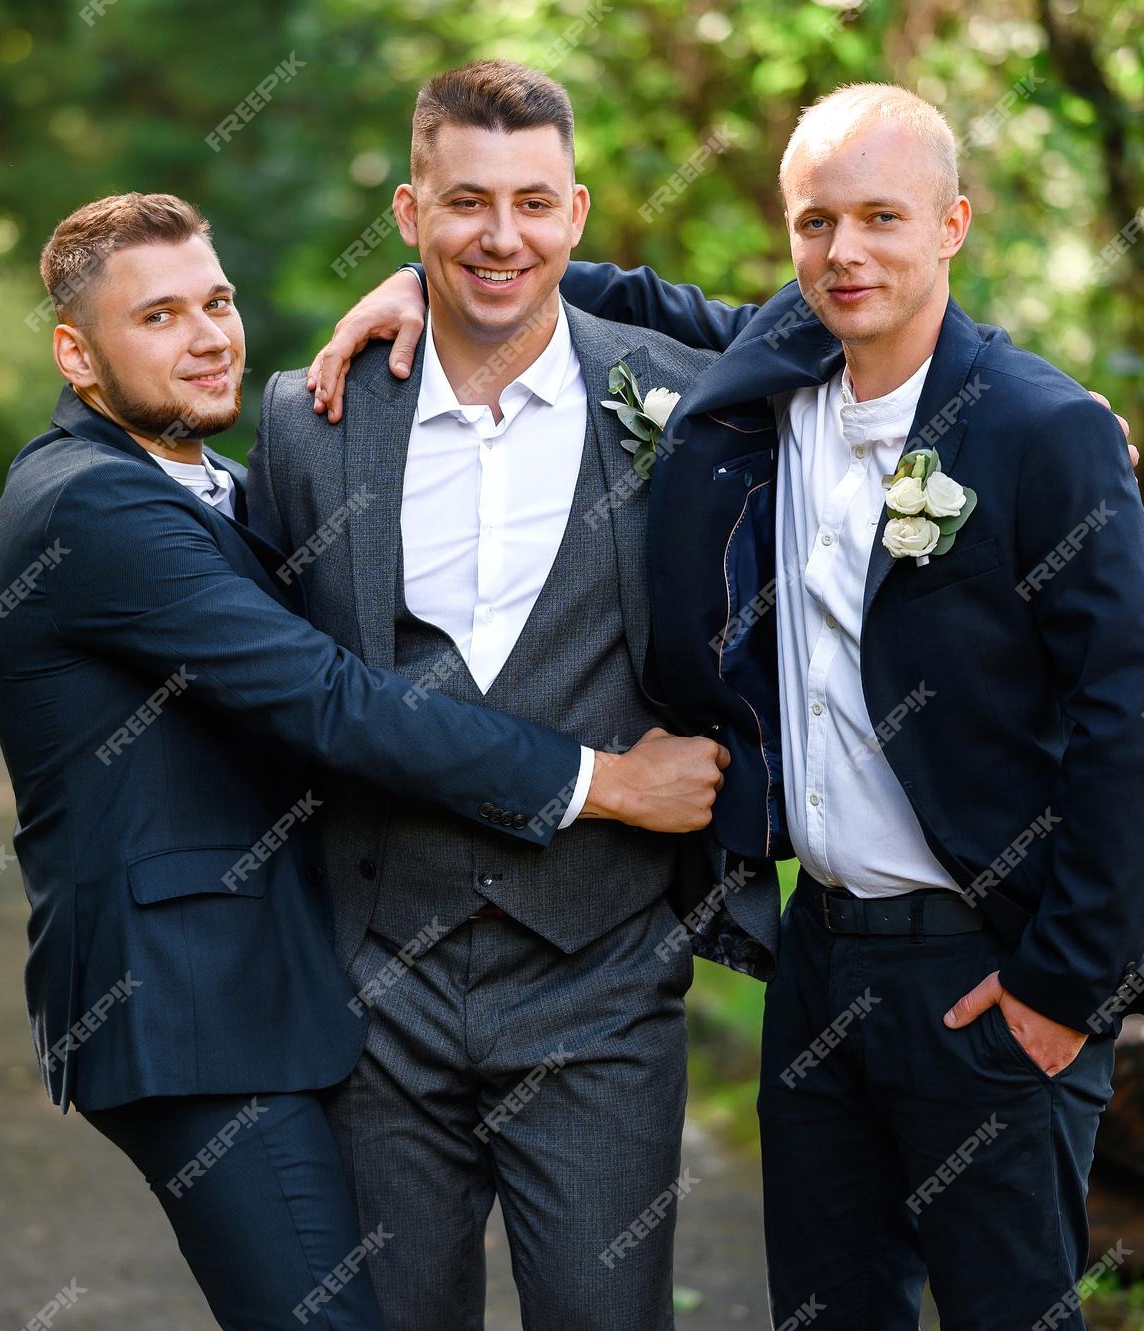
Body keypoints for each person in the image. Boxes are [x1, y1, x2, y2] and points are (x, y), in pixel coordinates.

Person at [309, 81, 1144, 1331]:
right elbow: (632, 299)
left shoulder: (1041, 429)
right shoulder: (775, 375)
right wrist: (432, 279)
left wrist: (1060, 986)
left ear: (952, 225)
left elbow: (1135, 718)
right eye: (814, 222)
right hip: (817, 956)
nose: (845, 253)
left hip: (986, 957)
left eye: (881, 217)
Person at [0, 189, 727, 1331]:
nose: (210, 335)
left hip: (261, 995)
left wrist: (450, 283)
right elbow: (331, 700)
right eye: (159, 317)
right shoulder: (91, 507)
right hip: (193, 1010)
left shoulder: (193, 481)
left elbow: (764, 328)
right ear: (75, 355)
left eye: (216, 301)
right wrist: (602, 780)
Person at [246, 62, 777, 1331]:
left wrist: (1043, 413)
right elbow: (268, 693)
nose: (501, 236)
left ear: (578, 213)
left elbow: (856, 325)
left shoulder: (680, 390)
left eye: (533, 203)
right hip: (375, 988)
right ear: (408, 209)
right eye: (466, 201)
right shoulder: (308, 422)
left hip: (600, 983)